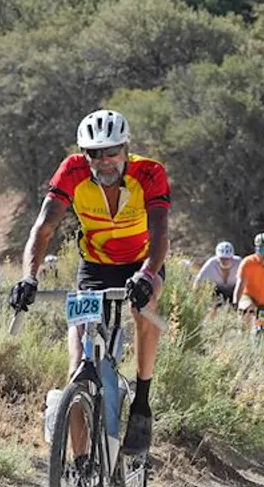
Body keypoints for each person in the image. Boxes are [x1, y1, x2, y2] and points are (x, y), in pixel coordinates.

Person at [9, 109, 170, 466]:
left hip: (142, 263)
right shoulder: (72, 171)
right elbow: (43, 229)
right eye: (94, 153)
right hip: (95, 267)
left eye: (111, 151)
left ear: (126, 148)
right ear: (84, 154)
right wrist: (28, 277)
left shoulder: (150, 173)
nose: (103, 160)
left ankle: (142, 402)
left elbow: (160, 232)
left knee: (145, 307)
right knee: (76, 371)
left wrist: (146, 274)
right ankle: (80, 468)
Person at [193, 241, 240, 307]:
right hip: (216, 292)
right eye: (222, 259)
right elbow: (198, 282)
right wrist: (196, 301)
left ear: (232, 257)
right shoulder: (211, 263)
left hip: (235, 292)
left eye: (227, 259)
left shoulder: (240, 263)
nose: (225, 261)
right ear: (217, 258)